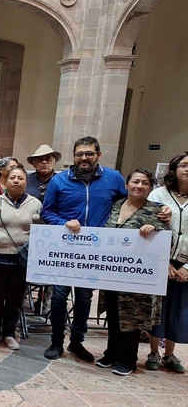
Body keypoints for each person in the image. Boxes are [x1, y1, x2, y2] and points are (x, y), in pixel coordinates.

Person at [41, 136, 129, 361]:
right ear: (74, 156)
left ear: (98, 155)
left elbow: (128, 206)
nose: (84, 158)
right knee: (59, 295)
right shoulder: (60, 180)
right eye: (79, 154)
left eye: (89, 153)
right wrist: (64, 223)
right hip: (65, 248)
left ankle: (77, 342)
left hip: (94, 251)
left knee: (84, 298)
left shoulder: (113, 178)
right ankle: (56, 341)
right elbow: (47, 211)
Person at [94, 168, 167, 376]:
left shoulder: (156, 211)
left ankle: (129, 359)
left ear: (150, 187)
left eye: (145, 183)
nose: (139, 186)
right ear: (126, 185)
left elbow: (165, 241)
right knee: (114, 314)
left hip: (137, 275)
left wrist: (155, 228)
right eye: (135, 182)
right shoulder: (116, 205)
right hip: (113, 271)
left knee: (131, 317)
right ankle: (112, 353)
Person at [0, 166, 41, 350]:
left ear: (26, 182)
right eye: (12, 177)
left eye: (20, 178)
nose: (16, 181)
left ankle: (8, 333)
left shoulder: (35, 203)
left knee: (15, 300)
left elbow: (40, 233)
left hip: (21, 261)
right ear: (5, 181)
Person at [146, 151, 188, 374]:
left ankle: (169, 354)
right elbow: (150, 228)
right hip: (160, 260)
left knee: (177, 310)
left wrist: (187, 267)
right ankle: (153, 351)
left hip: (185, 265)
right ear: (174, 169)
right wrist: (164, 263)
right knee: (157, 308)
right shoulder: (159, 195)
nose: (187, 169)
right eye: (183, 165)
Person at [25, 144, 61, 316]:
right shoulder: (26, 179)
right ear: (33, 163)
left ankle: (44, 300)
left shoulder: (61, 180)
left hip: (53, 232)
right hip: (27, 232)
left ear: (54, 162)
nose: (44, 162)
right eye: (40, 159)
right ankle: (23, 299)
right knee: (24, 265)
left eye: (48, 159)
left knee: (51, 269)